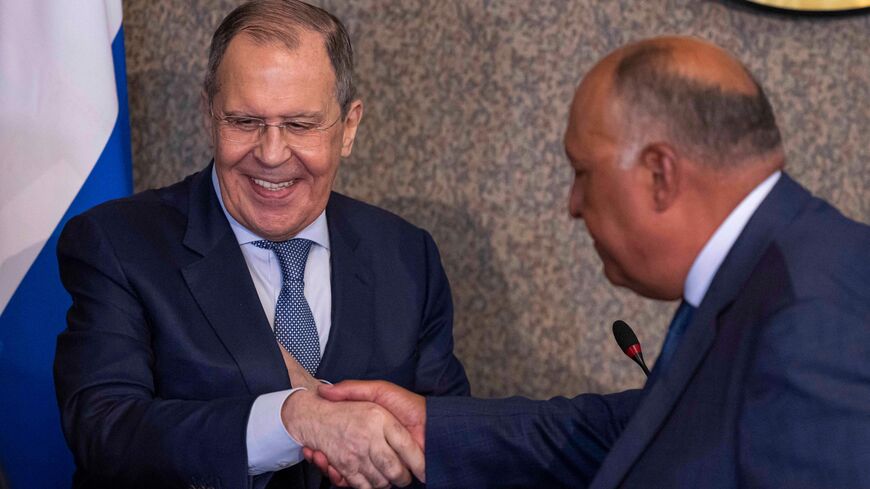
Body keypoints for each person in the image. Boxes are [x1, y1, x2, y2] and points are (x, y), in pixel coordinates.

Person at [308, 36, 870, 488]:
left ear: (660, 173)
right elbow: (643, 427)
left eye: (582, 173)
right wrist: (433, 428)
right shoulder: (777, 268)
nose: (572, 206)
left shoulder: (812, 321)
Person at [53, 1, 469, 488]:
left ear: (349, 126)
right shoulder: (119, 243)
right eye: (245, 121)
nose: (272, 155)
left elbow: (451, 443)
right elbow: (105, 431)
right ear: (210, 114)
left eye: (299, 125)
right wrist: (293, 420)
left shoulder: (406, 255)